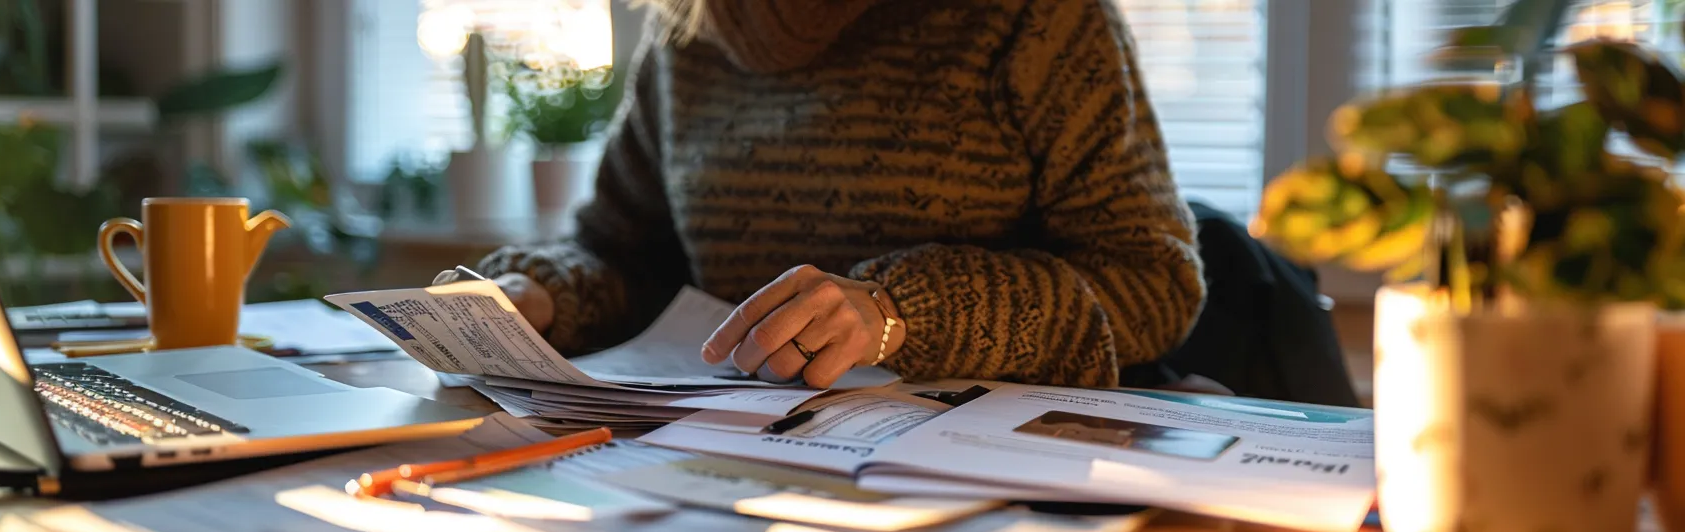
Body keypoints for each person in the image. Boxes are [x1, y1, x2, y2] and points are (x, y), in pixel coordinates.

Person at [438, 0, 1206, 389]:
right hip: (728, 460)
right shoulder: (687, 33)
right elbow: (623, 255)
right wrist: (536, 298)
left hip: (985, 473)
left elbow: (1153, 283)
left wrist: (902, 312)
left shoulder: (1033, 18)